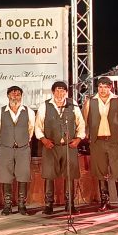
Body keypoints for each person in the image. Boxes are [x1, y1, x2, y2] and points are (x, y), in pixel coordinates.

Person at [34, 81, 85, 215]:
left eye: (62, 91)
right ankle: (48, 204)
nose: (60, 93)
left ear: (66, 92)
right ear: (53, 92)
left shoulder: (73, 105)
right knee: (49, 174)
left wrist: (78, 139)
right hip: (51, 146)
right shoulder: (45, 106)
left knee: (70, 175)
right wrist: (44, 140)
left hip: (69, 146)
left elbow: (81, 124)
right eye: (57, 90)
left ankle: (70, 204)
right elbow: (38, 126)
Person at [83, 77, 118, 212]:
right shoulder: (90, 101)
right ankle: (105, 201)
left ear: (110, 87)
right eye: (100, 87)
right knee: (100, 171)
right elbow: (85, 121)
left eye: (105, 87)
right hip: (98, 141)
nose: (102, 90)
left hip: (114, 141)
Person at [0, 85, 35, 215]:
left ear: (21, 96)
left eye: (18, 94)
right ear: (8, 96)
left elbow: (31, 129)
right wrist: (4, 144)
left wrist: (23, 141)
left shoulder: (29, 111)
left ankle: (22, 205)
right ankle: (7, 205)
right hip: (6, 148)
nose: (15, 96)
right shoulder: (0, 112)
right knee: (6, 177)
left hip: (23, 148)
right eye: (12, 94)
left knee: (23, 176)